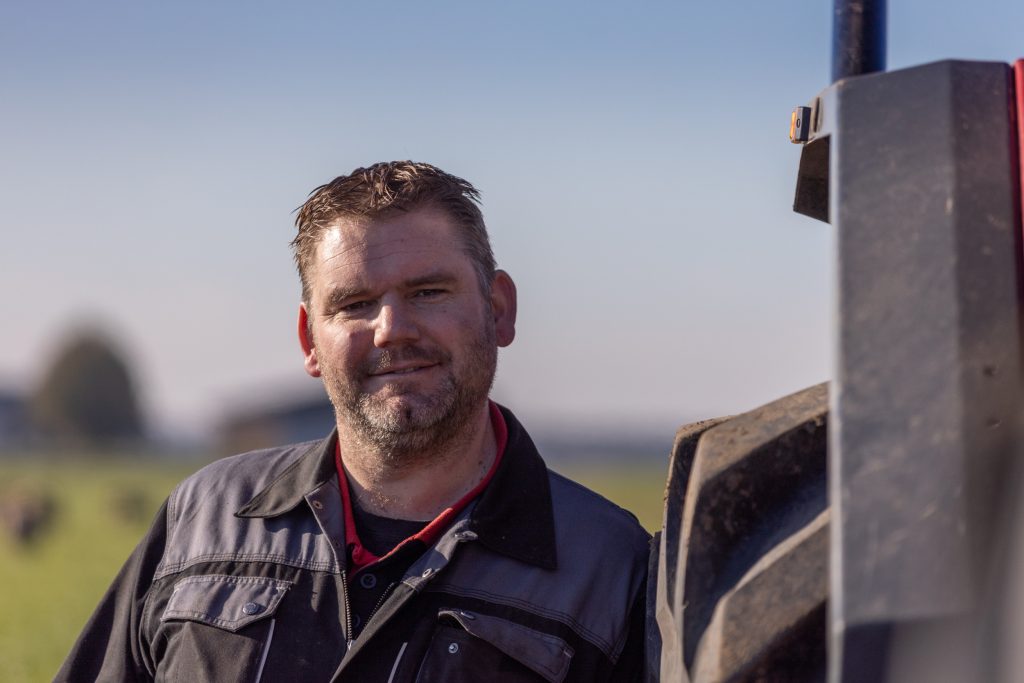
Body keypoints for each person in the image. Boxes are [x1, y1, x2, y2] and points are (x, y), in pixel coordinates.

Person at [57, 161, 651, 682]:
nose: (391, 329)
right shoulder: (201, 521)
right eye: (354, 304)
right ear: (309, 341)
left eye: (427, 292)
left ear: (498, 311)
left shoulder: (612, 569)